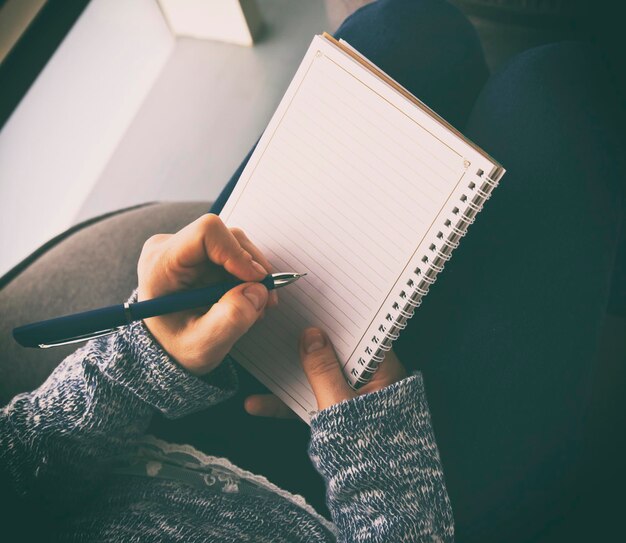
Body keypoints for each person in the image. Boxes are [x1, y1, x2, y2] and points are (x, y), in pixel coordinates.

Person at [1, 0, 624, 541]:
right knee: (559, 91)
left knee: (405, 27)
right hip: (397, 505)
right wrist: (380, 467)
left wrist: (136, 361)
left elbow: (20, 464)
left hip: (159, 420)